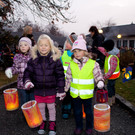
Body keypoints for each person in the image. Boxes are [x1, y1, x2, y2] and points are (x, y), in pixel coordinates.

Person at [23, 34, 65, 135]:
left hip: (51, 90)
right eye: (41, 45)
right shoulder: (33, 60)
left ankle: (52, 124)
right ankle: (42, 122)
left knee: (51, 108)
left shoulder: (55, 60)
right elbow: (27, 73)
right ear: (37, 46)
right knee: (40, 107)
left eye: (46, 45)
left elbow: (60, 76)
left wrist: (61, 90)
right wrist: (27, 81)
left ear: (50, 46)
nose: (43, 47)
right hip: (38, 89)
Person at [65, 35, 104, 135]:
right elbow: (68, 78)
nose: (77, 54)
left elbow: (98, 74)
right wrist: (64, 90)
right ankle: (79, 127)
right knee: (77, 112)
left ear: (85, 51)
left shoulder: (93, 63)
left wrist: (100, 81)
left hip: (87, 94)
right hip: (75, 94)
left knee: (88, 112)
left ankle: (89, 127)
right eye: (75, 51)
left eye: (79, 51)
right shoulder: (71, 64)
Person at [5, 37, 35, 106]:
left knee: (33, 103)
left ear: (29, 46)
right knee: (24, 103)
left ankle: (33, 116)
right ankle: (24, 116)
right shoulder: (17, 57)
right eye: (21, 45)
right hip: (21, 84)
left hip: (32, 84)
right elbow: (16, 68)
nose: (23, 47)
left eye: (25, 45)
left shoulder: (33, 57)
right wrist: (10, 70)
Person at [98, 39, 120, 106]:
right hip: (113, 76)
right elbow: (102, 50)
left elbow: (112, 69)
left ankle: (110, 102)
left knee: (110, 88)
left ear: (107, 49)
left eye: (104, 48)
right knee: (112, 87)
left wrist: (105, 77)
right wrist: (99, 46)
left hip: (112, 76)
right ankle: (113, 100)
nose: (103, 50)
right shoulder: (109, 54)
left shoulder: (112, 57)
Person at [60, 32, 77, 119]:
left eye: (68, 42)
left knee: (73, 97)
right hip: (64, 81)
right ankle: (65, 110)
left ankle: (74, 110)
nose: (65, 44)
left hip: (74, 82)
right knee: (65, 97)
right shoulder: (63, 55)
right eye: (66, 42)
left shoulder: (76, 56)